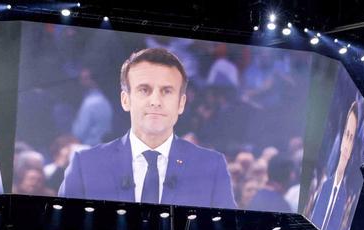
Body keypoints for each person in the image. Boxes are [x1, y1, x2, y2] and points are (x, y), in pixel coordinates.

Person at [58, 47, 236, 209]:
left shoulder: (212, 167)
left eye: (167, 91)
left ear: (181, 103)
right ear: (125, 100)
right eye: (144, 90)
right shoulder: (86, 165)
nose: (156, 101)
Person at [304, 98, 364, 230]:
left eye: (351, 138)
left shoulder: (347, 195)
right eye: (346, 134)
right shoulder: (322, 184)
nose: (346, 143)